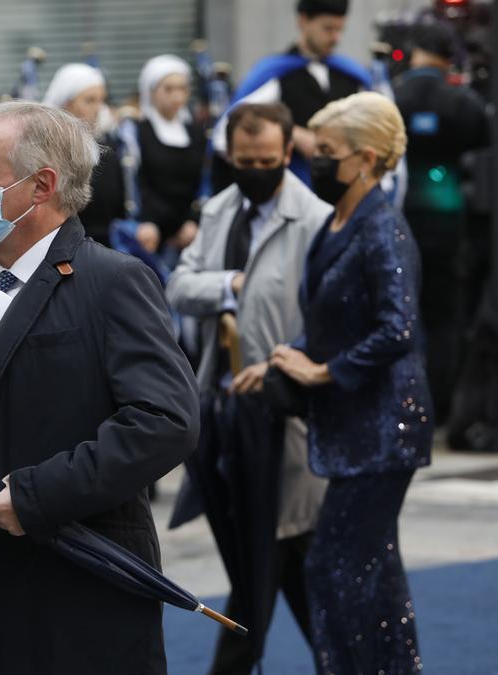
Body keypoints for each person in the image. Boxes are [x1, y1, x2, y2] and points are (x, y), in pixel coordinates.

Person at [0, 101, 199, 675]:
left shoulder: (113, 281)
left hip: (70, 580)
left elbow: (165, 421)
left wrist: (34, 496)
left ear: (41, 185)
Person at [269, 91, 431, 674]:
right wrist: (287, 360)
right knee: (373, 568)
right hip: (357, 423)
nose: (314, 163)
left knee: (334, 566)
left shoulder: (383, 227)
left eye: (326, 153)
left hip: (385, 427)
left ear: (364, 159)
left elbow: (399, 327)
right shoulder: (340, 221)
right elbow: (335, 319)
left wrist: (324, 371)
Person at [167, 102, 330, 673]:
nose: (255, 169)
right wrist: (231, 286)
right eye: (244, 160)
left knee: (276, 557)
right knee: (261, 561)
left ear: (289, 153)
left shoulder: (316, 220)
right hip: (221, 414)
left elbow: (327, 321)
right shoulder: (217, 210)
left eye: (266, 160)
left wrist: (288, 367)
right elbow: (180, 286)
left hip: (287, 420)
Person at [393, 22, 489, 419]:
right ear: (450, 58)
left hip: (401, 216)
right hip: (450, 215)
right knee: (447, 313)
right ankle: (443, 405)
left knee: (403, 311)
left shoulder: (391, 97)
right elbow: (487, 147)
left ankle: (405, 402)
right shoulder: (463, 101)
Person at [218, 0, 368, 187]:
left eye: (340, 30)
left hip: (346, 189)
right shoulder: (276, 74)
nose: (336, 37)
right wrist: (291, 133)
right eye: (328, 28)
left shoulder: (351, 76)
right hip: (293, 189)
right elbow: (228, 130)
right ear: (303, 21)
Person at [42, 62, 124, 245]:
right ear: (67, 104)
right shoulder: (47, 149)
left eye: (101, 101)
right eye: (89, 100)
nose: (98, 109)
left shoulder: (107, 145)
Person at [134, 54, 205, 264]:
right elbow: (139, 183)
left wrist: (193, 221)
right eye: (168, 89)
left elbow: (203, 181)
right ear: (151, 91)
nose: (177, 96)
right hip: (151, 232)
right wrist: (152, 223)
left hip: (189, 233)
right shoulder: (139, 132)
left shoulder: (195, 133)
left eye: (182, 88)